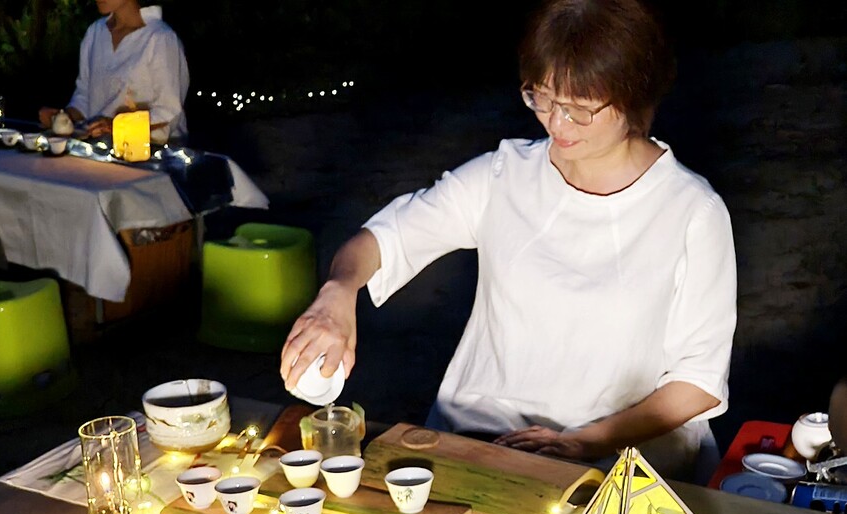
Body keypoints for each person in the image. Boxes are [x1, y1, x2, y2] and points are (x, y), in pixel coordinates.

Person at [279, 0, 737, 481]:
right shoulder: (504, 176)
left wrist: (588, 441)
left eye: (579, 110)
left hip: (619, 456)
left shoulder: (690, 211)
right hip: (481, 436)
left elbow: (699, 381)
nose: (556, 124)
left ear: (635, 95)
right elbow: (383, 240)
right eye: (542, 99)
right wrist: (338, 292)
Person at [39, 0, 189, 145]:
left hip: (152, 152)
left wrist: (118, 126)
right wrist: (64, 117)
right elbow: (85, 97)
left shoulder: (159, 38)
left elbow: (170, 112)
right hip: (99, 149)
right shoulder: (95, 32)